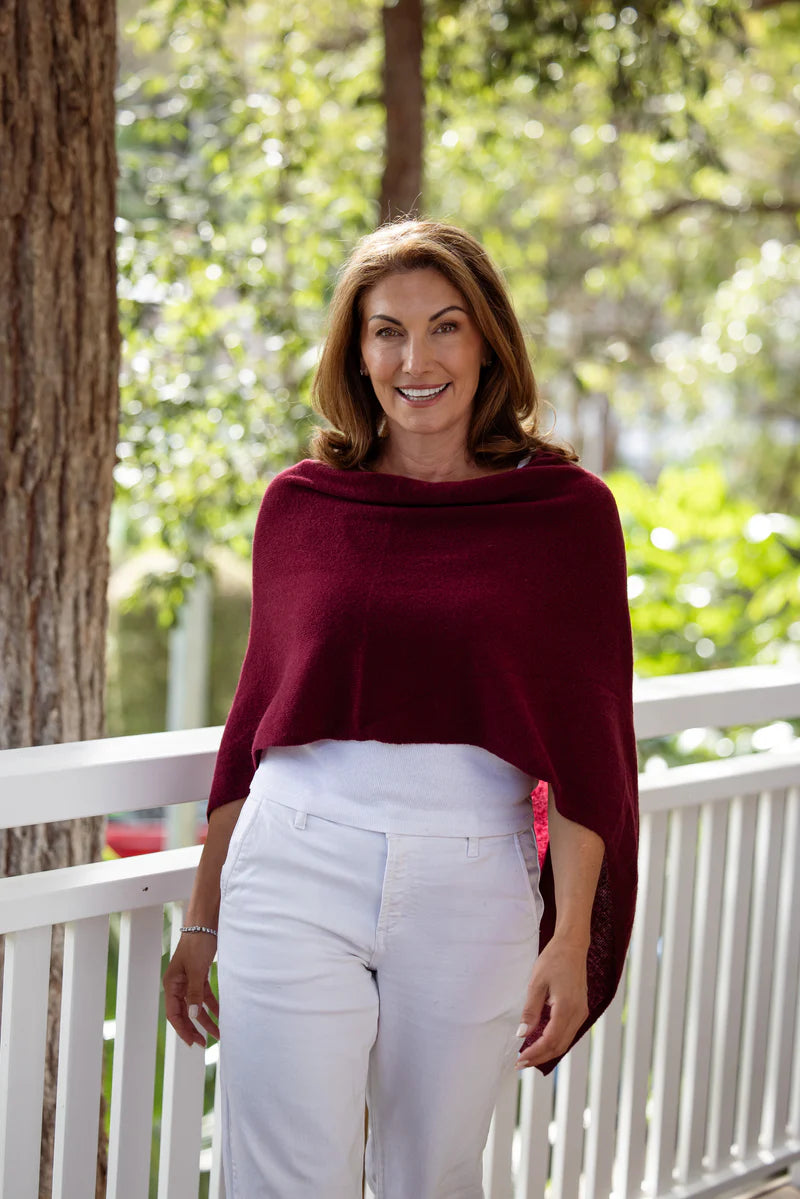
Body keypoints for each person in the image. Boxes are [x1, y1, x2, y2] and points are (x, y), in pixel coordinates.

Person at [163, 218, 639, 1199]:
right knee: (282, 1182)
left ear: (488, 343)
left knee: (434, 1178)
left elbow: (591, 745)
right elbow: (255, 723)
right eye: (387, 331)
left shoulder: (566, 514)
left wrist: (568, 939)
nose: (415, 360)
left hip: (474, 881)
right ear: (357, 352)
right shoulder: (301, 504)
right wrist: (201, 918)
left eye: (444, 327)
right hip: (293, 864)